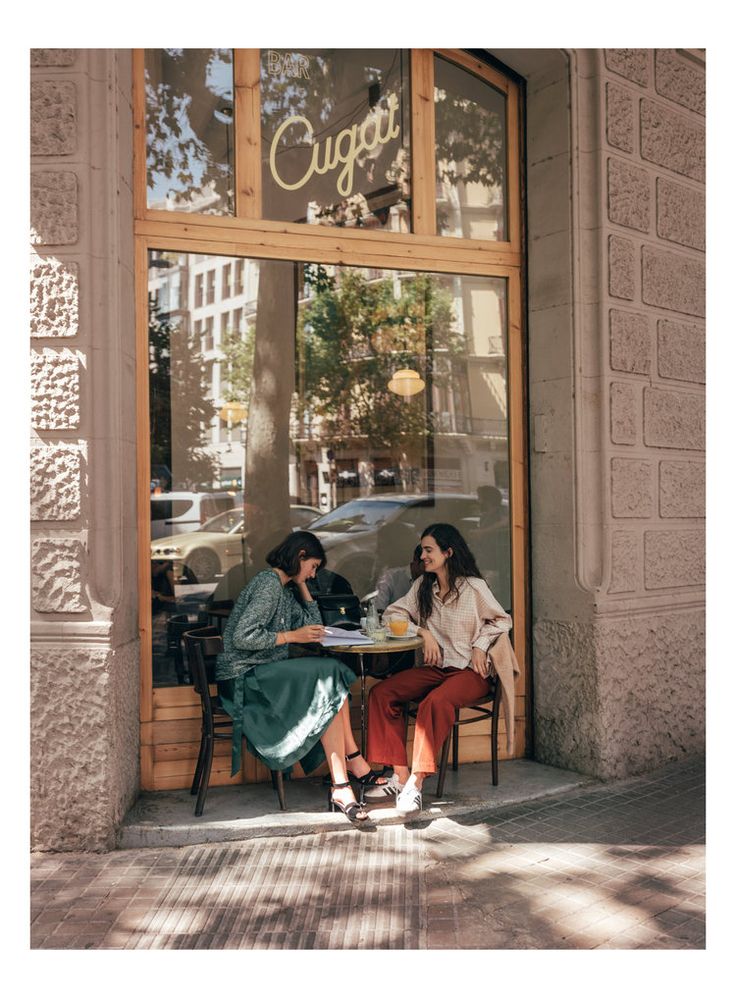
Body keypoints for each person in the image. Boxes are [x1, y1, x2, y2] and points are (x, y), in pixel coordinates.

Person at [215, 530, 386, 823]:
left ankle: (345, 778)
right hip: (245, 676)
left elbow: (314, 628)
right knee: (330, 673)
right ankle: (350, 769)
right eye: (312, 567)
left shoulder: (284, 588)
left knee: (332, 679)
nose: (313, 574)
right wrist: (291, 636)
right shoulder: (268, 585)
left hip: (265, 671)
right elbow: (243, 637)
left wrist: (303, 587)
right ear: (300, 556)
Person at [365, 523, 512, 815]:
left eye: (429, 550)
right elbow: (392, 614)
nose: (422, 556)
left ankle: (416, 786)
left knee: (435, 702)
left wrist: (480, 645)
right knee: (382, 693)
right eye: (422, 550)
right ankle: (401, 776)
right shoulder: (422, 587)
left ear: (448, 552)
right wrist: (423, 633)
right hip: (436, 670)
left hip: (471, 672)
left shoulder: (474, 588)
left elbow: (502, 620)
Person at [375, 544, 424, 614]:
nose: (429, 571)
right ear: (415, 560)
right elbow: (379, 609)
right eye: (426, 565)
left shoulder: (433, 580)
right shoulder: (389, 577)